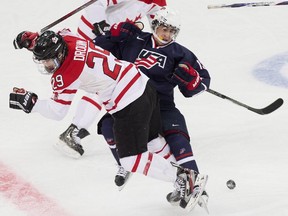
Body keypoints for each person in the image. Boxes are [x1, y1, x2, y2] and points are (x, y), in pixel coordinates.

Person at [10, 28, 208, 211]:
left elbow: (58, 111)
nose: (47, 65)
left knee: (131, 160)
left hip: (128, 103)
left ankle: (184, 179)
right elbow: (58, 35)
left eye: (48, 61)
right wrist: (34, 40)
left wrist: (32, 104)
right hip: (143, 84)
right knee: (153, 140)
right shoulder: (70, 37)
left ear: (59, 54)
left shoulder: (66, 74)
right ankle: (186, 181)